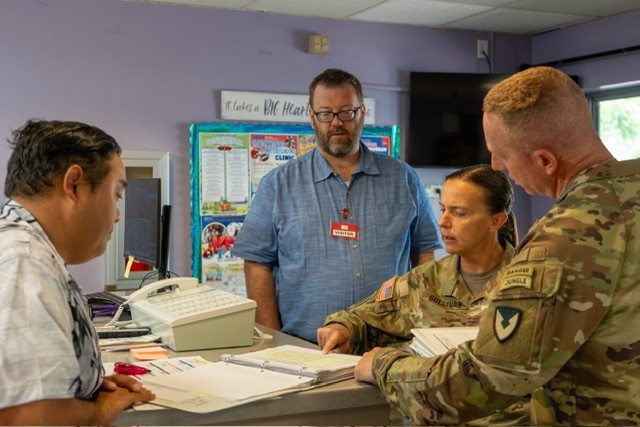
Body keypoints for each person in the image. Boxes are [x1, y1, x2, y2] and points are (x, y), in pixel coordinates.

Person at [353, 66, 640, 426]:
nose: (496, 165)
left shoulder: (563, 239)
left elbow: (489, 378)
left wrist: (383, 365)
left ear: (545, 161)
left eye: (502, 155)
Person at [232, 68, 442, 342]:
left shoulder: (403, 179)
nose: (336, 123)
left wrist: (420, 325)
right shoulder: (278, 184)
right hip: (305, 347)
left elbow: (423, 254)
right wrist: (274, 340)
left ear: (362, 113)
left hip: (390, 346)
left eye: (346, 112)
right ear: (312, 117)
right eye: (325, 114)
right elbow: (257, 264)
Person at [318, 164, 528, 425]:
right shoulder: (425, 280)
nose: (443, 222)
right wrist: (343, 328)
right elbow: (363, 317)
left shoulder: (529, 285)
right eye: (442, 209)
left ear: (496, 221)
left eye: (459, 213)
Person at [0, 119, 155, 425]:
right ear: (73, 184)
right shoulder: (23, 261)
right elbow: (30, 417)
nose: (118, 214)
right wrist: (98, 410)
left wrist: (85, 382)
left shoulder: (24, 248)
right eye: (116, 195)